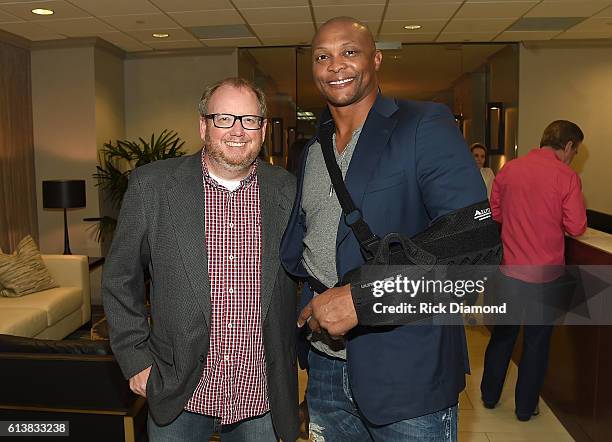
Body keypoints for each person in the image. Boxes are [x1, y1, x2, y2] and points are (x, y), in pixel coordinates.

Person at [280, 16, 487, 441]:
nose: (335, 65)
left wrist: (362, 299)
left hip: (407, 368)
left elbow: (476, 246)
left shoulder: (422, 124)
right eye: (323, 56)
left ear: (375, 59)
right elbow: (313, 243)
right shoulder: (313, 150)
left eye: (349, 52)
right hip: (323, 367)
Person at [102, 77, 299, 442]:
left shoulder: (287, 189)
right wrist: (136, 359)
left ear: (263, 128)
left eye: (249, 120)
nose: (238, 131)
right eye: (224, 118)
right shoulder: (153, 186)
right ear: (203, 126)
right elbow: (119, 278)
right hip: (178, 389)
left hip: (261, 392)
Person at [480, 120, 587, 421]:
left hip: (508, 273)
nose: (572, 157)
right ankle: (526, 408)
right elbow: (577, 226)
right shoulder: (567, 177)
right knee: (537, 343)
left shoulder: (509, 170)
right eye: (575, 152)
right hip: (546, 277)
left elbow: (495, 213)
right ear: (567, 146)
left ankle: (489, 396)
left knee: (502, 336)